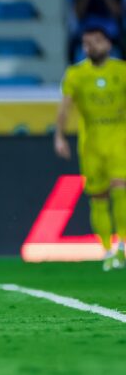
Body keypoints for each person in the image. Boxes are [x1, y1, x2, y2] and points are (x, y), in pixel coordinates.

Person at [55, 25, 126, 270]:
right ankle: (107, 250)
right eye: (86, 43)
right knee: (98, 197)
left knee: (121, 189)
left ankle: (123, 246)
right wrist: (60, 136)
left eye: (95, 41)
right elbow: (66, 106)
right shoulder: (76, 74)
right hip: (91, 142)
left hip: (120, 138)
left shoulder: (122, 70)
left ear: (108, 43)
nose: (91, 46)